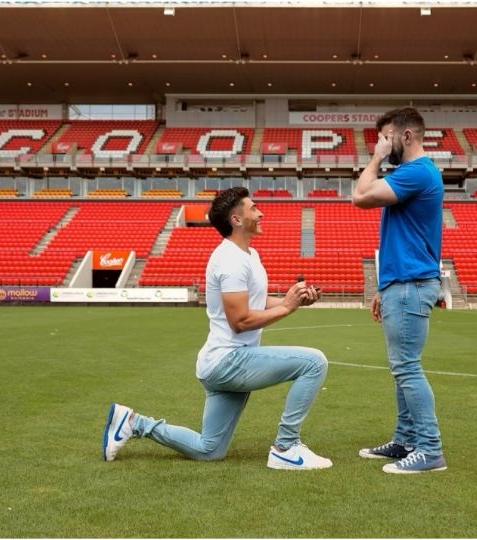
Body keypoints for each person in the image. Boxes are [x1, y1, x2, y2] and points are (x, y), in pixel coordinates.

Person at [102, 186, 332, 470]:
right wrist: (287, 308)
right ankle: (286, 447)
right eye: (253, 208)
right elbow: (241, 321)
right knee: (314, 362)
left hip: (222, 363)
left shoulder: (249, 255)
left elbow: (256, 302)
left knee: (209, 449)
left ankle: (134, 423)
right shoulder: (230, 260)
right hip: (229, 361)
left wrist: (291, 300)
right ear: (236, 220)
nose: (260, 212)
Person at [351, 107, 447, 474]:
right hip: (400, 282)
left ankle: (430, 449)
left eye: (386, 136)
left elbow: (359, 197)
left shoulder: (416, 172)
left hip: (410, 284)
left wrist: (375, 158)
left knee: (406, 366)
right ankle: (406, 439)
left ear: (406, 136)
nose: (381, 144)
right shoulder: (412, 173)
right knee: (401, 367)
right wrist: (383, 286)